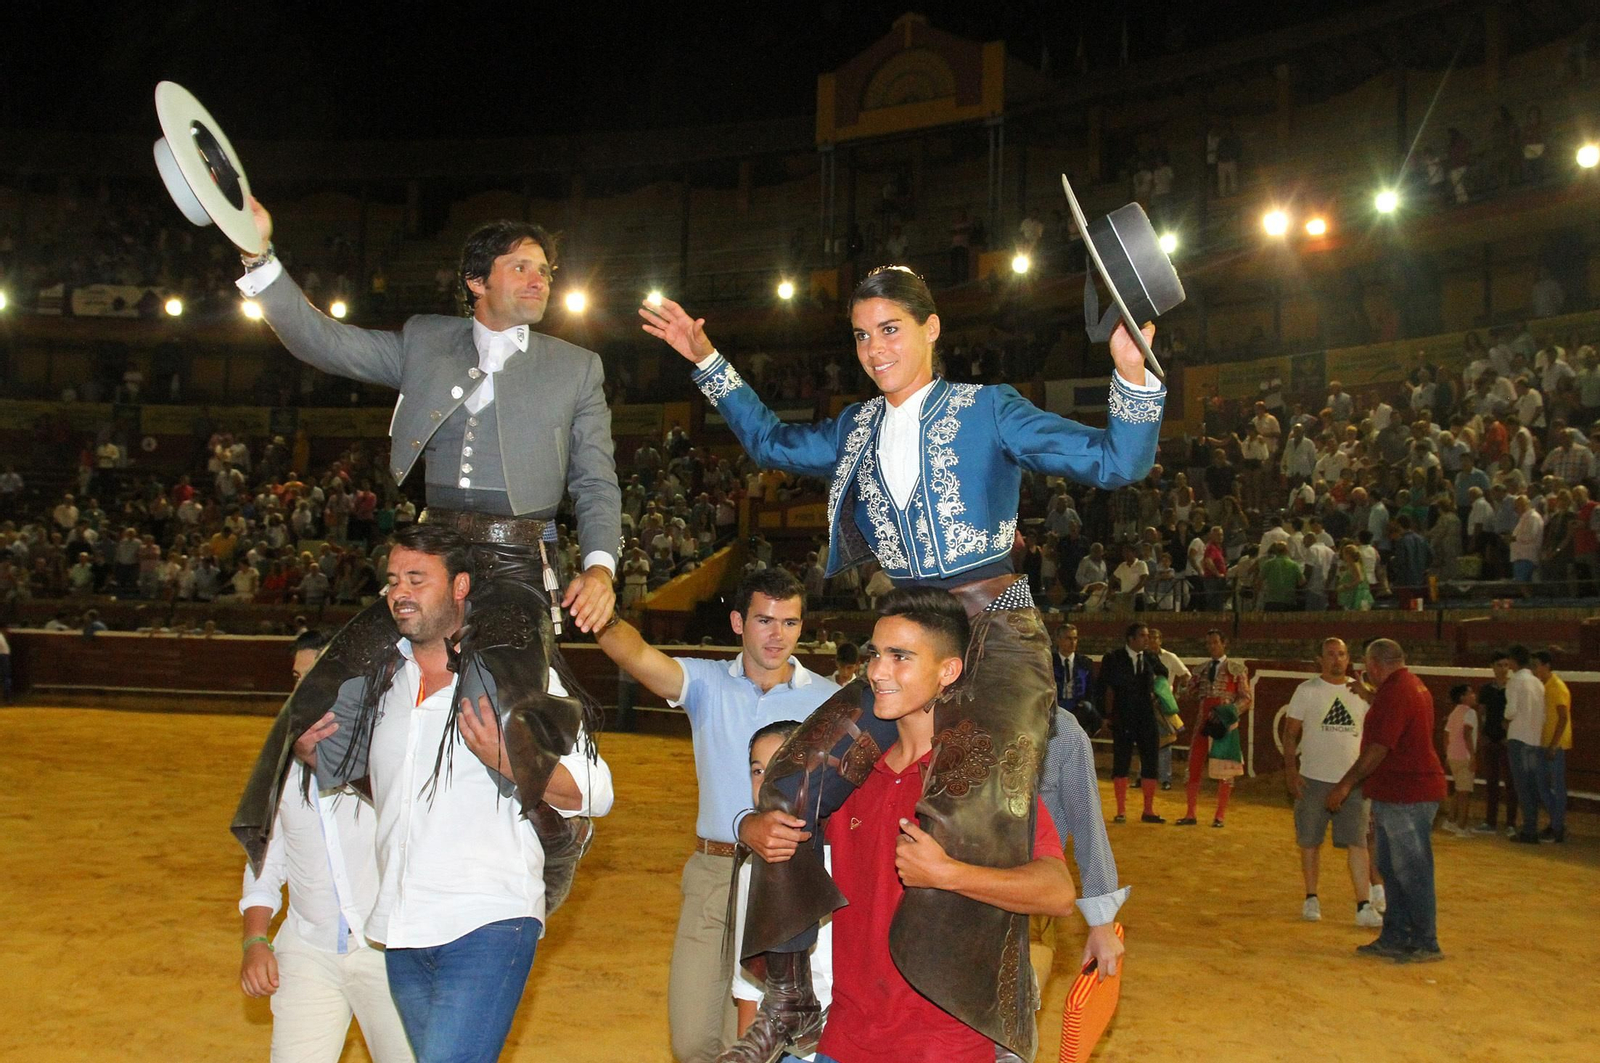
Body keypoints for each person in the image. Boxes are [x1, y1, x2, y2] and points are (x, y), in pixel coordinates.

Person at [641, 263, 1163, 1062]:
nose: (874, 347)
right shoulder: (854, 428)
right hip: (910, 636)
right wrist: (705, 355)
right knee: (794, 778)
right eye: (861, 334)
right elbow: (772, 439)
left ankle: (993, 1011)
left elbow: (1113, 463)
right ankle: (786, 995)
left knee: (986, 792)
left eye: (890, 328)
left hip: (996, 636)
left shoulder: (987, 410)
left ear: (931, 330)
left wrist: (1132, 378)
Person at [231, 203, 623, 925]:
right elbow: (323, 340)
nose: (538, 281)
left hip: (513, 558)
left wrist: (598, 567)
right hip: (431, 550)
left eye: (544, 269)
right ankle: (351, 804)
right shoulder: (424, 341)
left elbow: (596, 480)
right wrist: (262, 260)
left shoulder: (576, 368)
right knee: (326, 686)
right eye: (521, 267)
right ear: (477, 280)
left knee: (503, 692)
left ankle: (549, 827)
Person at [291, 524, 613, 1063]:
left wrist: (508, 761)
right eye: (393, 580)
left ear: (461, 586)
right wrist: (314, 752)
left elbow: (595, 791)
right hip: (400, 923)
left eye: (417, 579)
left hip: (489, 917)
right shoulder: (376, 682)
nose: (400, 593)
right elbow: (374, 783)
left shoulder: (517, 672)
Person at [811, 588, 1077, 1063]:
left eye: (900, 657)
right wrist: (751, 824)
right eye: (875, 654)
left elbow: (1056, 892)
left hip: (946, 1047)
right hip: (845, 1039)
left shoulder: (982, 778)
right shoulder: (849, 774)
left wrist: (948, 874)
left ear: (948, 671)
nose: (876, 671)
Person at [592, 570, 838, 1063]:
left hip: (785, 872)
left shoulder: (829, 700)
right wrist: (600, 616)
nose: (777, 635)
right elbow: (637, 655)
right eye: (765, 620)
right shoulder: (705, 683)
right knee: (691, 1040)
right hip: (713, 869)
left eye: (790, 622)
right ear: (737, 622)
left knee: (747, 1037)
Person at [238, 631, 413, 1063]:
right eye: (296, 679)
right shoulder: (281, 765)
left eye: (312, 677)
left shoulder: (388, 755)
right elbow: (266, 860)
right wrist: (255, 940)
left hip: (387, 954)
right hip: (307, 952)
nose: (300, 692)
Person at [1326, 638, 1447, 963]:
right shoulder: (1408, 687)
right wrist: (1371, 697)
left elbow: (1379, 748)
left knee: (1411, 869)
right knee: (1393, 868)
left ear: (1377, 665)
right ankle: (1398, 934)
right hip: (1403, 791)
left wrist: (1345, 784)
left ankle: (1424, 940)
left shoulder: (1397, 692)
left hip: (1407, 793)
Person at [730, 721, 832, 1063]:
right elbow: (749, 987)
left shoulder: (845, 854)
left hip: (855, 1037)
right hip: (793, 1046)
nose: (769, 780)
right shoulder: (753, 865)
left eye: (782, 767)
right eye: (758, 770)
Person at [1281, 637, 1382, 928]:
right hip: (1313, 778)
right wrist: (1290, 770)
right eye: (1330, 654)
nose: (1337, 660)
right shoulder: (1307, 691)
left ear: (1348, 659)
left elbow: (1379, 725)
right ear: (1320, 660)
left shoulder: (1361, 693)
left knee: (1358, 841)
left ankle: (1363, 903)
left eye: (1341, 654)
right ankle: (1311, 896)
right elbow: (1290, 734)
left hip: (1351, 781)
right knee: (1310, 841)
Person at [1036, 704, 1129, 998]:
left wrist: (1101, 922)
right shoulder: (947, 714)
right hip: (951, 899)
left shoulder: (1061, 731)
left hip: (1029, 899)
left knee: (1012, 1028)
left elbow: (1088, 823)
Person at [1095, 622, 1168, 824]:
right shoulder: (1114, 658)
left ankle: (1148, 810)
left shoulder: (1150, 658)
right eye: (1143, 636)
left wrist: (1158, 688)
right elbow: (1102, 687)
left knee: (1150, 760)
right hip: (1123, 716)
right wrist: (1104, 715)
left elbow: (1165, 673)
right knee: (1121, 761)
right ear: (1131, 639)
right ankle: (1120, 811)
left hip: (1146, 717)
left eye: (1148, 635)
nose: (1147, 639)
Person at [1178, 630, 1252, 827]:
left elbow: (1246, 698)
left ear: (1224, 643)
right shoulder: (1200, 669)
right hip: (1203, 721)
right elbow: (1187, 694)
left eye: (1214, 643)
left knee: (1225, 769)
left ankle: (1219, 816)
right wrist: (1182, 687)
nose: (1211, 646)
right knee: (1194, 764)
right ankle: (1190, 813)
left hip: (1225, 723)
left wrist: (1227, 712)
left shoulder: (1236, 668)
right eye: (1208, 643)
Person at [1501, 643, 1548, 843]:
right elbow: (1544, 714)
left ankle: (1529, 829)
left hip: (1519, 737)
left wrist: (1505, 719)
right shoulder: (1537, 682)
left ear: (1513, 660)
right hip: (1535, 738)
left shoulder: (1514, 682)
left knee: (1522, 785)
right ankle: (1531, 825)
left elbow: (1510, 711)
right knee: (1532, 785)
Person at [1473, 651, 1518, 835]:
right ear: (1492, 667)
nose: (1503, 669)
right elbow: (1481, 713)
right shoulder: (1486, 689)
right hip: (1490, 737)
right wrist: (1481, 735)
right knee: (1491, 782)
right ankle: (1490, 821)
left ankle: (1510, 823)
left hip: (1506, 740)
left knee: (1510, 783)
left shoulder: (1513, 687)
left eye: (1506, 665)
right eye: (1500, 665)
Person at [1530, 650, 1571, 843]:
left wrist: (1554, 745)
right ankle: (1557, 824)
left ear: (1546, 665)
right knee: (1543, 787)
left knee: (1555, 787)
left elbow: (1563, 717)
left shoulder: (1556, 687)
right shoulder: (1544, 685)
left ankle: (1557, 827)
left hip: (1555, 744)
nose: (1534, 668)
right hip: (1544, 742)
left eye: (1536, 664)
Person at [1146, 627, 1190, 789]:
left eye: (1155, 638)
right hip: (1145, 704)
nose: (1151, 641)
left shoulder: (1170, 658)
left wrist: (1177, 694)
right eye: (1149, 638)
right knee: (1146, 742)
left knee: (1165, 743)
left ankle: (1165, 779)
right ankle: (1145, 776)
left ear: (1160, 640)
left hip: (1163, 704)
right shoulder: (1141, 657)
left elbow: (1186, 677)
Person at [1441, 685, 1478, 837]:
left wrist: (1447, 754)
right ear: (1463, 697)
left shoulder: (1454, 712)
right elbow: (1467, 734)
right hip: (1464, 756)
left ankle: (1450, 820)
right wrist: (1473, 756)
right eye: (1470, 693)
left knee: (1459, 789)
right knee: (1465, 792)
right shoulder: (1470, 713)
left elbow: (1446, 734)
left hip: (1453, 756)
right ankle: (1461, 827)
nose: (1474, 695)